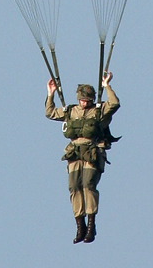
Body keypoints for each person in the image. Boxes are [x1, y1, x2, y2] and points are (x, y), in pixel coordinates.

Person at [45, 71, 120, 244]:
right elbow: (49, 113)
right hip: (74, 153)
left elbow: (115, 103)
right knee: (74, 187)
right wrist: (50, 94)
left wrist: (106, 86)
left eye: (87, 100)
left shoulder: (98, 111)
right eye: (82, 99)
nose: (84, 103)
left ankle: (91, 227)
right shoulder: (71, 111)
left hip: (92, 152)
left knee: (88, 184)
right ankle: (80, 226)